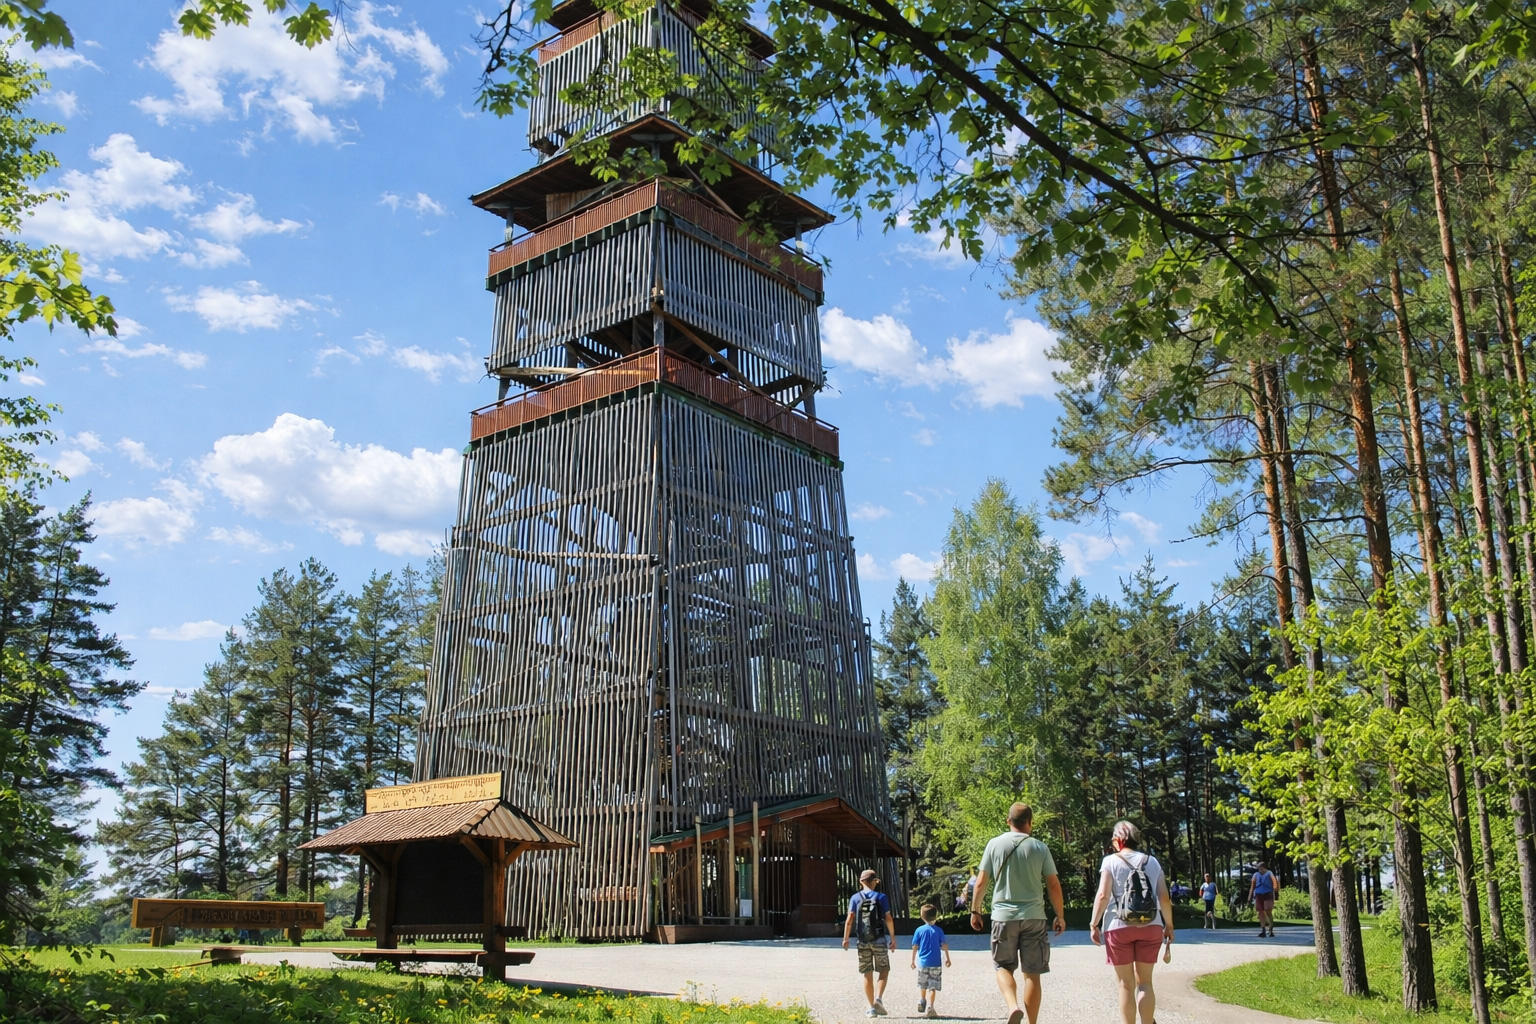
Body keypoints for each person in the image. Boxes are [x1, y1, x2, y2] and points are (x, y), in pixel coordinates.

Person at [971, 803, 1066, 1024]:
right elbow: (1053, 884)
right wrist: (1059, 915)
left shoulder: (994, 844)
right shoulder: (1040, 847)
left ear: (1008, 821)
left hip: (1003, 918)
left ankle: (1013, 1006)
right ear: (1030, 823)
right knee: (1033, 974)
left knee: (1003, 966)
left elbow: (981, 882)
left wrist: (975, 911)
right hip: (1035, 918)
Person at [1090, 820, 1175, 1024]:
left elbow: (1103, 895)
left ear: (1118, 840)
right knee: (1145, 982)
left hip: (1118, 928)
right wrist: (1169, 925)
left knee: (1125, 984)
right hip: (1151, 925)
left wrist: (1094, 924)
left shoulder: (1110, 861)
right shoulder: (1152, 862)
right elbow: (1164, 898)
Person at [843, 868, 898, 1016]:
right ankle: (878, 999)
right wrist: (892, 938)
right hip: (879, 939)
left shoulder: (855, 898)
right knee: (884, 970)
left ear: (861, 882)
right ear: (874, 882)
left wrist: (846, 938)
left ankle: (871, 1008)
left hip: (862, 941)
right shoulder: (881, 897)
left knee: (867, 973)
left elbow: (849, 920)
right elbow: (888, 918)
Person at [909, 903, 951, 1018]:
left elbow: (915, 946)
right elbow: (944, 945)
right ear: (936, 916)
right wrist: (948, 958)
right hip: (936, 963)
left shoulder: (919, 930)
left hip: (922, 963)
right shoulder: (938, 931)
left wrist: (912, 961)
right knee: (933, 986)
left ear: (922, 917)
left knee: (923, 984)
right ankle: (931, 1007)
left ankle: (922, 999)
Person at [1249, 862, 1279, 937]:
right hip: (1258, 894)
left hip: (1268, 894)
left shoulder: (1269, 873)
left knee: (1267, 910)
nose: (1260, 870)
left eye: (1261, 868)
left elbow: (1275, 882)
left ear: (1264, 867)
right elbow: (1252, 886)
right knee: (1260, 912)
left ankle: (1270, 930)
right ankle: (1263, 930)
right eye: (1259, 869)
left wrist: (1275, 890)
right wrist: (1250, 896)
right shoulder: (1256, 875)